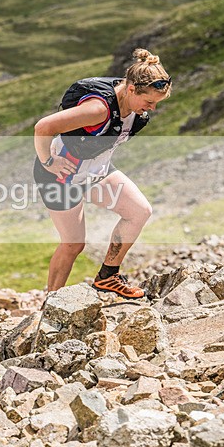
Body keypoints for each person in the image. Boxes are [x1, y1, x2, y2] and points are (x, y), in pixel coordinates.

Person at [33, 48, 172, 299]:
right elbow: (43, 127)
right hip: (62, 176)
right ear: (131, 89)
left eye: (156, 103)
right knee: (73, 244)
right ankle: (52, 302)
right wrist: (49, 162)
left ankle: (108, 276)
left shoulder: (135, 110)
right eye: (149, 102)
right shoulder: (98, 109)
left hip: (97, 171)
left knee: (139, 211)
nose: (152, 108)